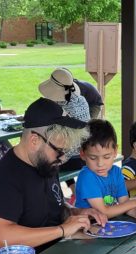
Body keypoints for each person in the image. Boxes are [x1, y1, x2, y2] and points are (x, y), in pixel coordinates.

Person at [0, 97, 107, 254]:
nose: (62, 159)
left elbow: (52, 205)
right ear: (34, 140)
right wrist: (63, 230)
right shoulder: (3, 178)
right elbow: (4, 237)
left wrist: (76, 213)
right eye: (59, 151)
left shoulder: (45, 164)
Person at [75, 119, 136, 222]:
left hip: (108, 225)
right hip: (88, 227)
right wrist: (135, 203)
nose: (100, 164)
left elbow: (124, 203)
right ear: (83, 154)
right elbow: (103, 212)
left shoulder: (116, 172)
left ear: (115, 151)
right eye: (93, 158)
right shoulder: (87, 177)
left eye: (106, 157)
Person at [39, 67, 91, 204]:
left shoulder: (56, 106)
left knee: (47, 158)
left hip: (69, 160)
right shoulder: (81, 100)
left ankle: (54, 199)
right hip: (83, 155)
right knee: (66, 149)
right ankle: (74, 191)